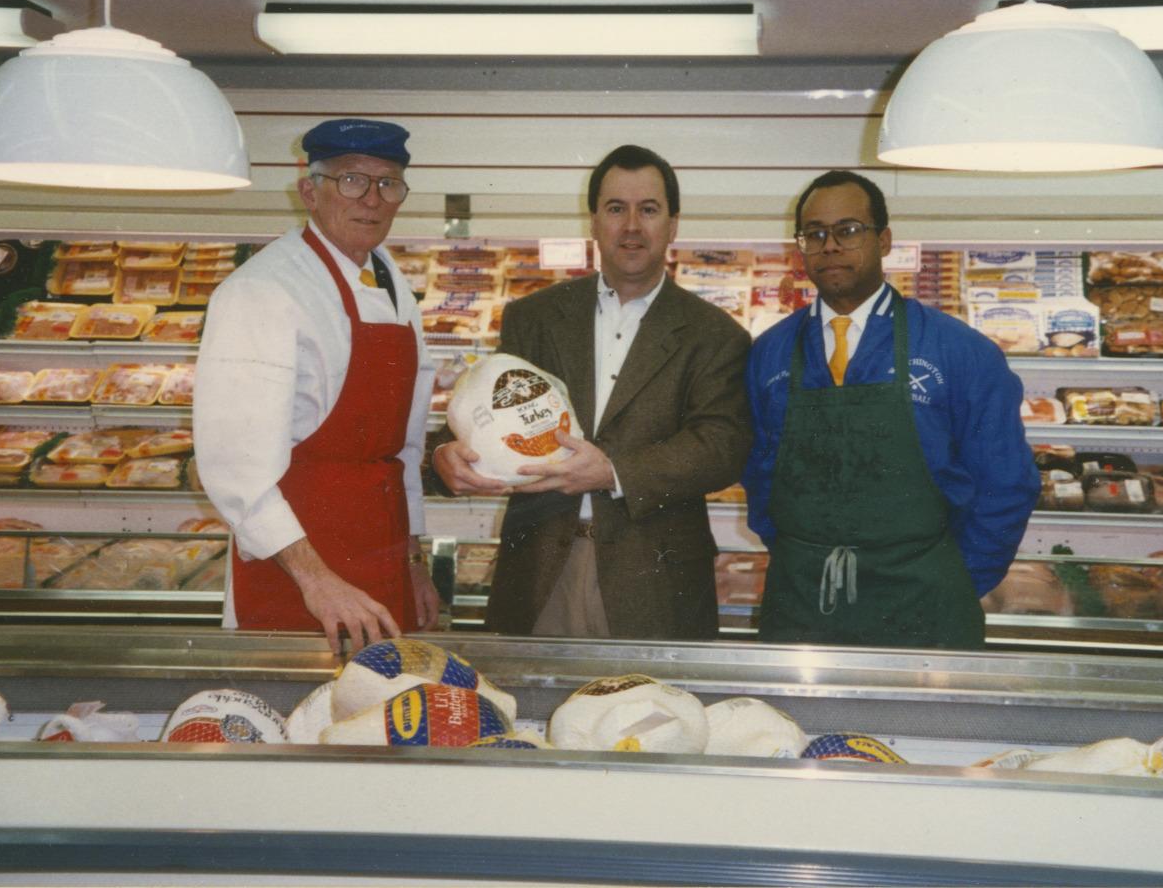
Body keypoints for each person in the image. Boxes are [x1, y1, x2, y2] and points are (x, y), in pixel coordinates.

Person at [433, 144, 752, 640]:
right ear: (595, 222)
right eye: (615, 209)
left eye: (648, 210)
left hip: (656, 579)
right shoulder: (534, 317)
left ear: (672, 224)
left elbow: (721, 446)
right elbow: (487, 408)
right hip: (540, 569)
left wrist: (613, 471)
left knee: (649, 715)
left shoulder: (714, 334)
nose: (631, 226)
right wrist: (445, 454)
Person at [743, 170, 1039, 649]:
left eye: (849, 230)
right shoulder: (769, 353)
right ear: (801, 248)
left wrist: (953, 580)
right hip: (801, 605)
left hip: (925, 607)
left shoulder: (959, 351)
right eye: (815, 234)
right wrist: (805, 555)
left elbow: (1007, 486)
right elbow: (759, 479)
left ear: (883, 241)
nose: (831, 246)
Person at [194, 119, 440, 653]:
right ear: (310, 190)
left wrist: (414, 562)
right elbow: (236, 469)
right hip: (296, 566)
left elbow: (406, 449)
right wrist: (316, 581)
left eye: (388, 183)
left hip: (383, 551)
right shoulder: (261, 291)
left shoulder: (391, 281)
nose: (372, 200)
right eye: (352, 180)